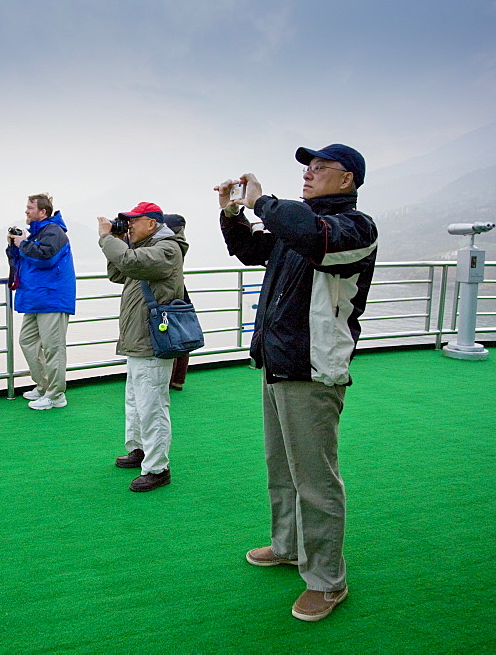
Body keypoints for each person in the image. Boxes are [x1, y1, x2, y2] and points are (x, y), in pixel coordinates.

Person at [216, 144, 377, 622]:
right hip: (279, 362)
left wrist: (263, 203)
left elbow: (314, 238)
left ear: (346, 179)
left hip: (313, 367)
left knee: (315, 478)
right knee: (281, 466)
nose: (309, 174)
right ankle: (288, 546)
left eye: (320, 168)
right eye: (307, 167)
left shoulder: (352, 228)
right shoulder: (298, 228)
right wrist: (231, 215)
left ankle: (328, 581)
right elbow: (251, 249)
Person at [97, 202, 188, 492]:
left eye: (133, 222)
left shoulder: (166, 249)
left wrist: (107, 239)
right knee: (136, 400)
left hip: (152, 340)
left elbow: (131, 263)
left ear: (151, 223)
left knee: (152, 405)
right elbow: (118, 272)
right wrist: (121, 241)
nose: (129, 226)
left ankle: (157, 468)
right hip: (138, 338)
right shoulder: (144, 249)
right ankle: (138, 450)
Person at [6, 193, 76, 410]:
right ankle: (45, 386)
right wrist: (13, 245)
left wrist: (23, 243)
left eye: (30, 208)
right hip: (36, 298)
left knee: (53, 348)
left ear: (42, 212)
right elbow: (23, 260)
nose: (26, 211)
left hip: (52, 298)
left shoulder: (54, 232)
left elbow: (45, 258)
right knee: (27, 341)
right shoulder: (37, 233)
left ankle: (56, 395)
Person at [163, 214, 191, 391]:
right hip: (181, 293)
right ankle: (178, 379)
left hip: (171, 295)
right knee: (181, 337)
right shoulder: (180, 243)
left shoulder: (170, 246)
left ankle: (170, 378)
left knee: (170, 338)